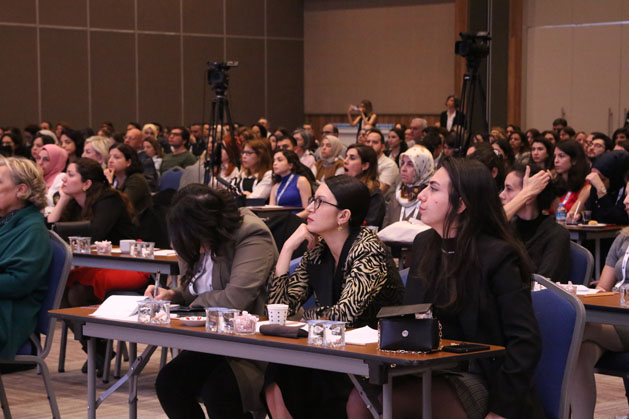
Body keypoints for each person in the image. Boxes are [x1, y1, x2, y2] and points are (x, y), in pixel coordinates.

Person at [348, 158, 543, 418]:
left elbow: (525, 340)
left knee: (387, 402)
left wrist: (502, 410)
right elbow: (412, 316)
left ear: (461, 204)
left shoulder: (497, 256)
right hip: (426, 367)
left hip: (479, 374)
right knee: (358, 399)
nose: (422, 195)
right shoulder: (425, 244)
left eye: (434, 188)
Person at [265, 175, 404, 419]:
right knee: (279, 371)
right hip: (333, 351)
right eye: (313, 199)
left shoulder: (368, 249)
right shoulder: (319, 250)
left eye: (320, 202)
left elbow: (344, 316)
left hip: (373, 359)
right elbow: (279, 309)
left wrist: (306, 317)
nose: (310, 208)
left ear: (343, 216)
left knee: (296, 373)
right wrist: (287, 248)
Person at [147, 184, 278, 419]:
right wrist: (173, 295)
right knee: (169, 383)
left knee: (219, 391)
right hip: (213, 341)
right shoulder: (192, 237)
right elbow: (195, 289)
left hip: (253, 344)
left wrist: (194, 302)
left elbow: (235, 299)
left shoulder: (251, 234)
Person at [571, 185, 629, 418]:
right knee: (580, 354)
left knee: (576, 328)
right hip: (613, 320)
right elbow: (603, 288)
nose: (625, 201)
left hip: (625, 321)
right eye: (625, 194)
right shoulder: (622, 238)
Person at [0, 157, 52, 360]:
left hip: (10, 314)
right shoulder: (7, 222)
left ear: (21, 190)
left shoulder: (32, 229)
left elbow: (19, 282)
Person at [500, 164, 570, 283]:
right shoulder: (507, 228)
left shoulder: (556, 234)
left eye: (509, 189)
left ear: (530, 196)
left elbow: (544, 283)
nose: (501, 195)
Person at [382, 146, 434, 228]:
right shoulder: (396, 198)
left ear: (423, 167)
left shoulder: (432, 199)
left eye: (410, 164)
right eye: (402, 163)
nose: (403, 169)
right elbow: (384, 229)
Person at [343, 144, 386, 228]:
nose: (345, 161)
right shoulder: (342, 188)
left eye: (352, 158)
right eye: (346, 156)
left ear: (365, 165)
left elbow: (370, 227)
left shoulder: (374, 195)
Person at [104, 143, 153, 216]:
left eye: (116, 157)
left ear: (128, 162)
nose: (110, 161)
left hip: (138, 220)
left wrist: (109, 183)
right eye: (109, 157)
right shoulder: (113, 178)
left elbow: (121, 205)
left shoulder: (136, 180)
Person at [584, 150, 629, 225]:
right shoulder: (595, 187)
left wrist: (602, 191)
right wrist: (579, 216)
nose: (597, 182)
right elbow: (591, 213)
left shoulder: (626, 188)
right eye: (595, 178)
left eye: (602, 179)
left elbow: (618, 219)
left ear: (615, 178)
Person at [553, 139, 591, 214]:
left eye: (561, 156)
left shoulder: (586, 187)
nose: (555, 161)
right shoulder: (556, 182)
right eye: (555, 156)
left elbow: (570, 216)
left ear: (574, 160)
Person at [269, 150, 311, 217]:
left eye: (279, 160)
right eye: (274, 160)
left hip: (298, 220)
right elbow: (270, 211)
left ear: (290, 165)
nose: (275, 163)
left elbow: (308, 210)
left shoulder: (301, 181)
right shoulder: (275, 187)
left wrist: (291, 220)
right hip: (281, 220)